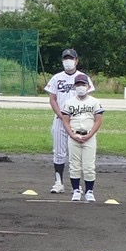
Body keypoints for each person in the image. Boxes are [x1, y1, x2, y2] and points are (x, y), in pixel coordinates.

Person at [43, 48, 84, 194]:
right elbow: (52, 99)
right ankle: (58, 182)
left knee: (76, 153)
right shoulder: (56, 78)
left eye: (71, 58)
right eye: (65, 58)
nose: (68, 61)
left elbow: (87, 99)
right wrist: (61, 115)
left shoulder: (82, 77)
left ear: (76, 60)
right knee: (59, 153)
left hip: (78, 120)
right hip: (60, 120)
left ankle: (76, 184)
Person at [59, 73, 103, 201]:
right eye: (78, 84)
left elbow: (98, 120)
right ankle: (76, 190)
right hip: (74, 136)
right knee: (74, 165)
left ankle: (89, 191)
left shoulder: (94, 102)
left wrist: (90, 134)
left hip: (89, 135)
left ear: (88, 86)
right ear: (74, 87)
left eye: (83, 84)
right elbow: (65, 120)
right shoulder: (69, 103)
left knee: (89, 165)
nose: (80, 87)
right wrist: (72, 134)